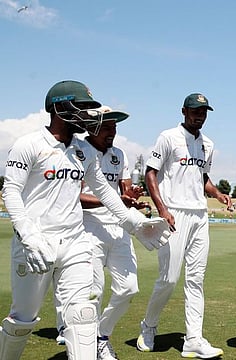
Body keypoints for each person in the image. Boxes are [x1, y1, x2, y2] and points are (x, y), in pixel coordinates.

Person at [0, 80, 166, 360]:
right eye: (82, 107)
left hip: (75, 243)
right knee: (22, 320)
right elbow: (11, 192)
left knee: (83, 315)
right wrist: (28, 236)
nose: (88, 115)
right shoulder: (28, 145)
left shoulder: (84, 151)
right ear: (58, 108)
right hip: (35, 245)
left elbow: (105, 192)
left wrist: (134, 223)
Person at [136, 93, 231, 359]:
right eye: (195, 111)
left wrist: (217, 194)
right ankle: (149, 326)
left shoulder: (208, 144)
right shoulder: (168, 137)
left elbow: (202, 177)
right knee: (168, 278)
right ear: (183, 111)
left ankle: (193, 339)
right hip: (174, 214)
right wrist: (162, 209)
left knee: (196, 280)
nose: (199, 116)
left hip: (200, 215)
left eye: (203, 112)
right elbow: (150, 173)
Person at [81, 105, 151, 359]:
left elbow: (125, 192)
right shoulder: (79, 151)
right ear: (91, 127)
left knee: (129, 288)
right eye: (107, 127)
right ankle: (86, 344)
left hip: (118, 226)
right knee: (93, 292)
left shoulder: (118, 154)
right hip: (89, 227)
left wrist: (133, 200)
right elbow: (75, 196)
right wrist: (113, 199)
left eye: (115, 127)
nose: (113, 131)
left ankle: (101, 334)